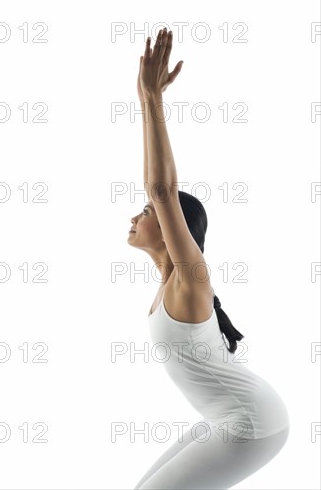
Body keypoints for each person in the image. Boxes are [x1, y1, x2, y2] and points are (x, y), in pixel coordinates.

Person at [127, 27, 290, 489]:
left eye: (147, 213)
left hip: (252, 423)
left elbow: (161, 190)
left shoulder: (192, 280)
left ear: (177, 226)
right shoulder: (168, 288)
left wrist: (150, 98)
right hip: (234, 416)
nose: (136, 216)